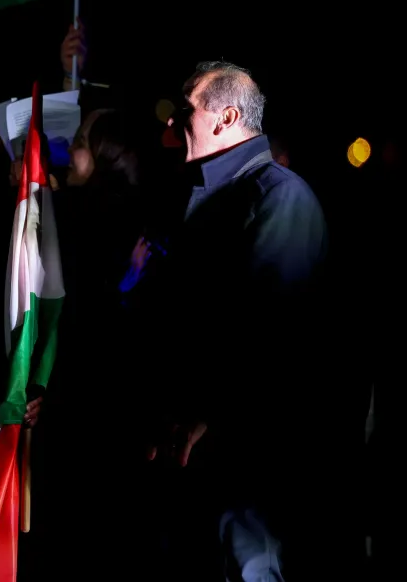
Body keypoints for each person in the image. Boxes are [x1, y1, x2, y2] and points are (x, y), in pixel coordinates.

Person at [135, 61, 353, 578]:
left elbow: (272, 331)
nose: (172, 123)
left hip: (249, 464)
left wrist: (209, 415)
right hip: (197, 454)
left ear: (227, 117)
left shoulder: (278, 196)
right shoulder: (207, 195)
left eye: (185, 110)